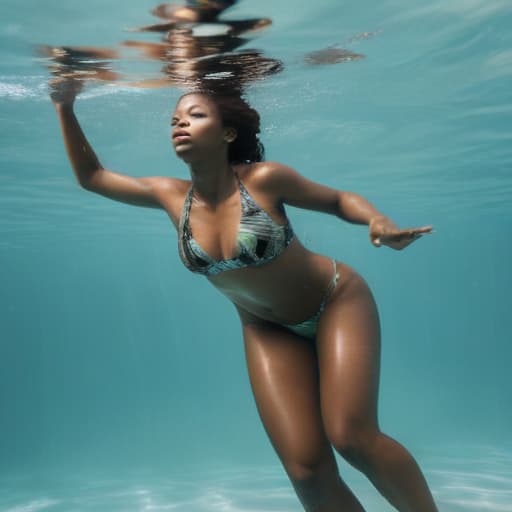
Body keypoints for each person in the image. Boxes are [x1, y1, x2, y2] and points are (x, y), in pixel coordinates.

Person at [50, 79, 437, 512]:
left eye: (196, 115)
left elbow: (339, 200)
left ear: (228, 133)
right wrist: (64, 106)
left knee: (351, 437)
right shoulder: (169, 196)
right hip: (266, 329)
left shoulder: (264, 180)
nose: (180, 122)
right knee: (305, 470)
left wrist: (377, 222)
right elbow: (93, 177)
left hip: (335, 302)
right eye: (175, 118)